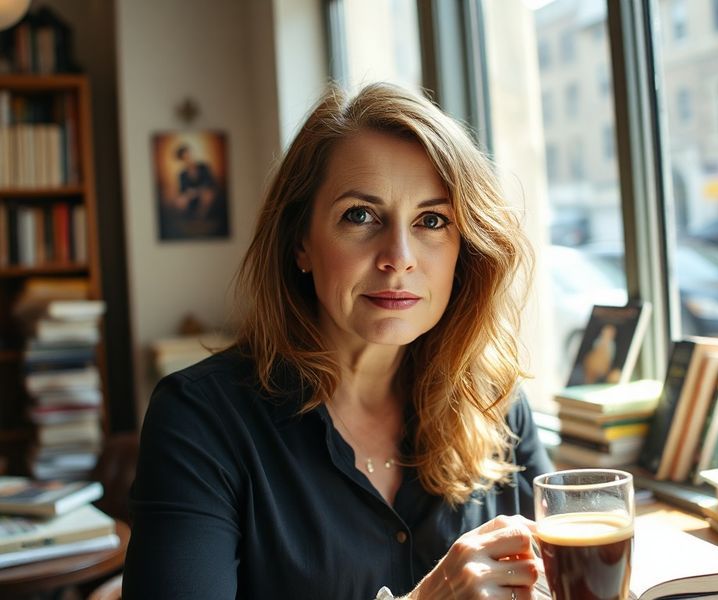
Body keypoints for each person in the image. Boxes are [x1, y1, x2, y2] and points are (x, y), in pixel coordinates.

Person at [123, 82, 553, 599]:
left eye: (431, 221)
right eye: (360, 215)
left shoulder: (497, 403)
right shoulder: (200, 421)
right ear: (301, 240)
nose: (399, 256)